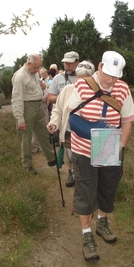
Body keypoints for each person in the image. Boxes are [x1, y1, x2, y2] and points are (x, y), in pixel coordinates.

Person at [67, 51, 134, 262]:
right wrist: (92, 130)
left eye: (116, 76)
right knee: (86, 192)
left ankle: (102, 223)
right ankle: (87, 236)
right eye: (108, 75)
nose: (111, 80)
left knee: (107, 187)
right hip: (83, 150)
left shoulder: (123, 88)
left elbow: (127, 120)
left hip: (109, 147)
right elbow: (73, 120)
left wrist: (121, 146)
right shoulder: (81, 85)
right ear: (99, 67)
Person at [46, 60, 95, 181]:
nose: (81, 81)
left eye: (86, 78)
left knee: (89, 167)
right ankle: (72, 174)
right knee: (74, 160)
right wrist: (53, 123)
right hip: (70, 135)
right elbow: (57, 110)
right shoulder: (68, 90)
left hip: (92, 137)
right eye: (79, 77)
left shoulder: (99, 93)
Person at [11, 54, 56, 175]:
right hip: (27, 108)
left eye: (39, 68)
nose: (37, 71)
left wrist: (40, 87)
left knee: (44, 133)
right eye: (35, 68)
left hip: (38, 106)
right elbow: (16, 98)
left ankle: (52, 159)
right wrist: (20, 118)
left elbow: (34, 87)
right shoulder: (20, 76)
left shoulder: (35, 73)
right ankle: (27, 165)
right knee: (26, 138)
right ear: (29, 63)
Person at [48, 51, 79, 187]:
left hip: (80, 119)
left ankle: (82, 173)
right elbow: (50, 97)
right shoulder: (58, 79)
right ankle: (70, 172)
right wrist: (64, 97)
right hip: (64, 118)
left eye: (70, 63)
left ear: (77, 62)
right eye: (65, 63)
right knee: (68, 148)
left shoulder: (84, 77)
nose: (67, 65)